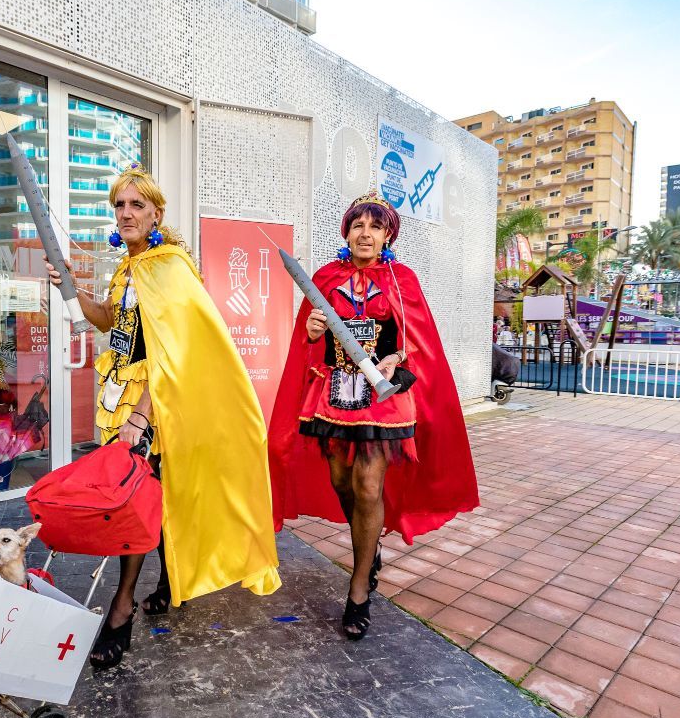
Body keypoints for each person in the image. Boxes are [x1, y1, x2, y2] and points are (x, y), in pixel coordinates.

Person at [45, 162, 280, 669]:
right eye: (119, 205)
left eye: (137, 205)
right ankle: (171, 578)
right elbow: (109, 320)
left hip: (154, 402)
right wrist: (70, 286)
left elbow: (180, 350)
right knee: (152, 492)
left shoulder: (169, 266)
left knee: (132, 498)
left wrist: (142, 415)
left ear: (156, 213)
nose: (126, 213)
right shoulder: (128, 268)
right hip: (121, 394)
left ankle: (121, 607)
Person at [269, 192, 479, 640]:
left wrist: (396, 358)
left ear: (388, 236)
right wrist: (312, 332)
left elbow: (418, 340)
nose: (366, 234)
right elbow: (308, 343)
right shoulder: (325, 277)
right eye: (358, 225)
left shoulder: (402, 280)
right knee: (343, 483)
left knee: (368, 485)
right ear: (346, 232)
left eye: (375, 227)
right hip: (333, 394)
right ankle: (369, 545)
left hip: (382, 398)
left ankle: (359, 585)